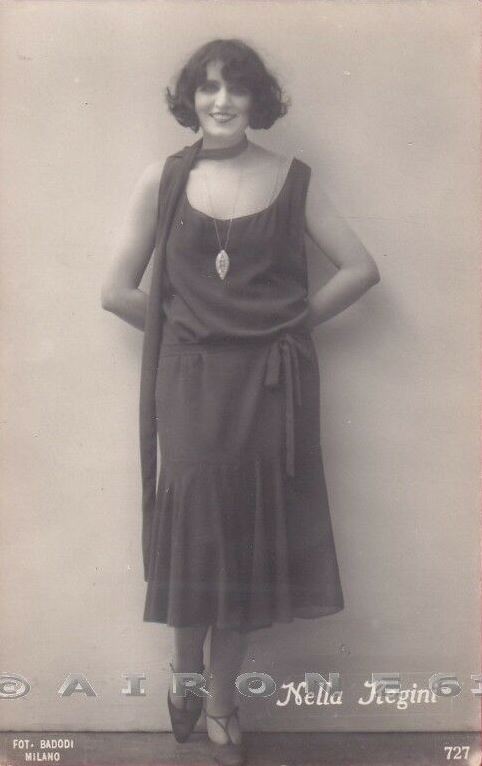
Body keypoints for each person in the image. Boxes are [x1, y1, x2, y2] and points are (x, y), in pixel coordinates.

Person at [101, 37, 380, 766]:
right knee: (196, 530)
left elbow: (361, 269)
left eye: (237, 88)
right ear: (189, 98)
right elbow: (116, 291)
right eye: (208, 87)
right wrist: (192, 331)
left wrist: (283, 327)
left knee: (246, 537)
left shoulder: (293, 178)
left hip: (268, 385)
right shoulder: (163, 179)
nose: (221, 101)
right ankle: (184, 673)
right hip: (191, 383)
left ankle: (222, 704)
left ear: (258, 100)